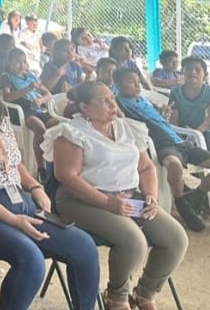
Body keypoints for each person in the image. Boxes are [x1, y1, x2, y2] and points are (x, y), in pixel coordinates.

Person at [0, 66, 99, 310]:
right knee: (31, 259)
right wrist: (13, 220)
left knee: (84, 246)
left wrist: (35, 186)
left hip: (20, 205)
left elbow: (14, 163)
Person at [44, 81, 187, 309]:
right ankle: (117, 297)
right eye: (104, 101)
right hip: (80, 200)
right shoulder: (71, 132)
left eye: (112, 98)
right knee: (134, 241)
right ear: (85, 108)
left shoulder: (126, 128)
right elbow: (67, 177)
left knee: (175, 238)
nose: (113, 105)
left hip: (128, 196)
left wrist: (150, 196)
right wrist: (108, 202)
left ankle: (144, 293)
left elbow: (146, 167)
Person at [114, 67, 210, 231]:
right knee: (174, 165)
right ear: (118, 84)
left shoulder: (143, 100)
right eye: (131, 82)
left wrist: (164, 115)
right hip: (161, 145)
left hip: (179, 141)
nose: (137, 85)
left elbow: (162, 121)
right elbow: (124, 123)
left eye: (138, 81)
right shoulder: (118, 103)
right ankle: (181, 203)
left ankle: (197, 195)